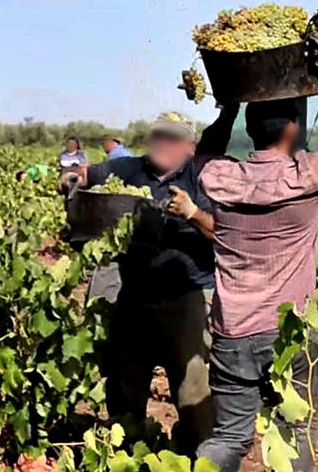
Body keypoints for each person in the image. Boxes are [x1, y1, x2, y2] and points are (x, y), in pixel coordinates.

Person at [195, 34, 318, 472]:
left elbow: (205, 152)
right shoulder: (308, 175)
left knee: (227, 438)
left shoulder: (221, 178)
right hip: (290, 332)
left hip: (232, 331)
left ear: (250, 131)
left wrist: (230, 105)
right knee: (294, 433)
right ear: (293, 129)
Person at [57, 107, 239, 456]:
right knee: (125, 390)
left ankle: (196, 459)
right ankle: (129, 455)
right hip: (133, 297)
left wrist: (193, 213)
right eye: (157, 135)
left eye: (171, 137)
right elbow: (84, 172)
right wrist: (70, 178)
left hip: (187, 299)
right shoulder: (127, 169)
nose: (162, 143)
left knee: (194, 395)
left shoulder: (203, 176)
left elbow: (227, 235)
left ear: (189, 145)